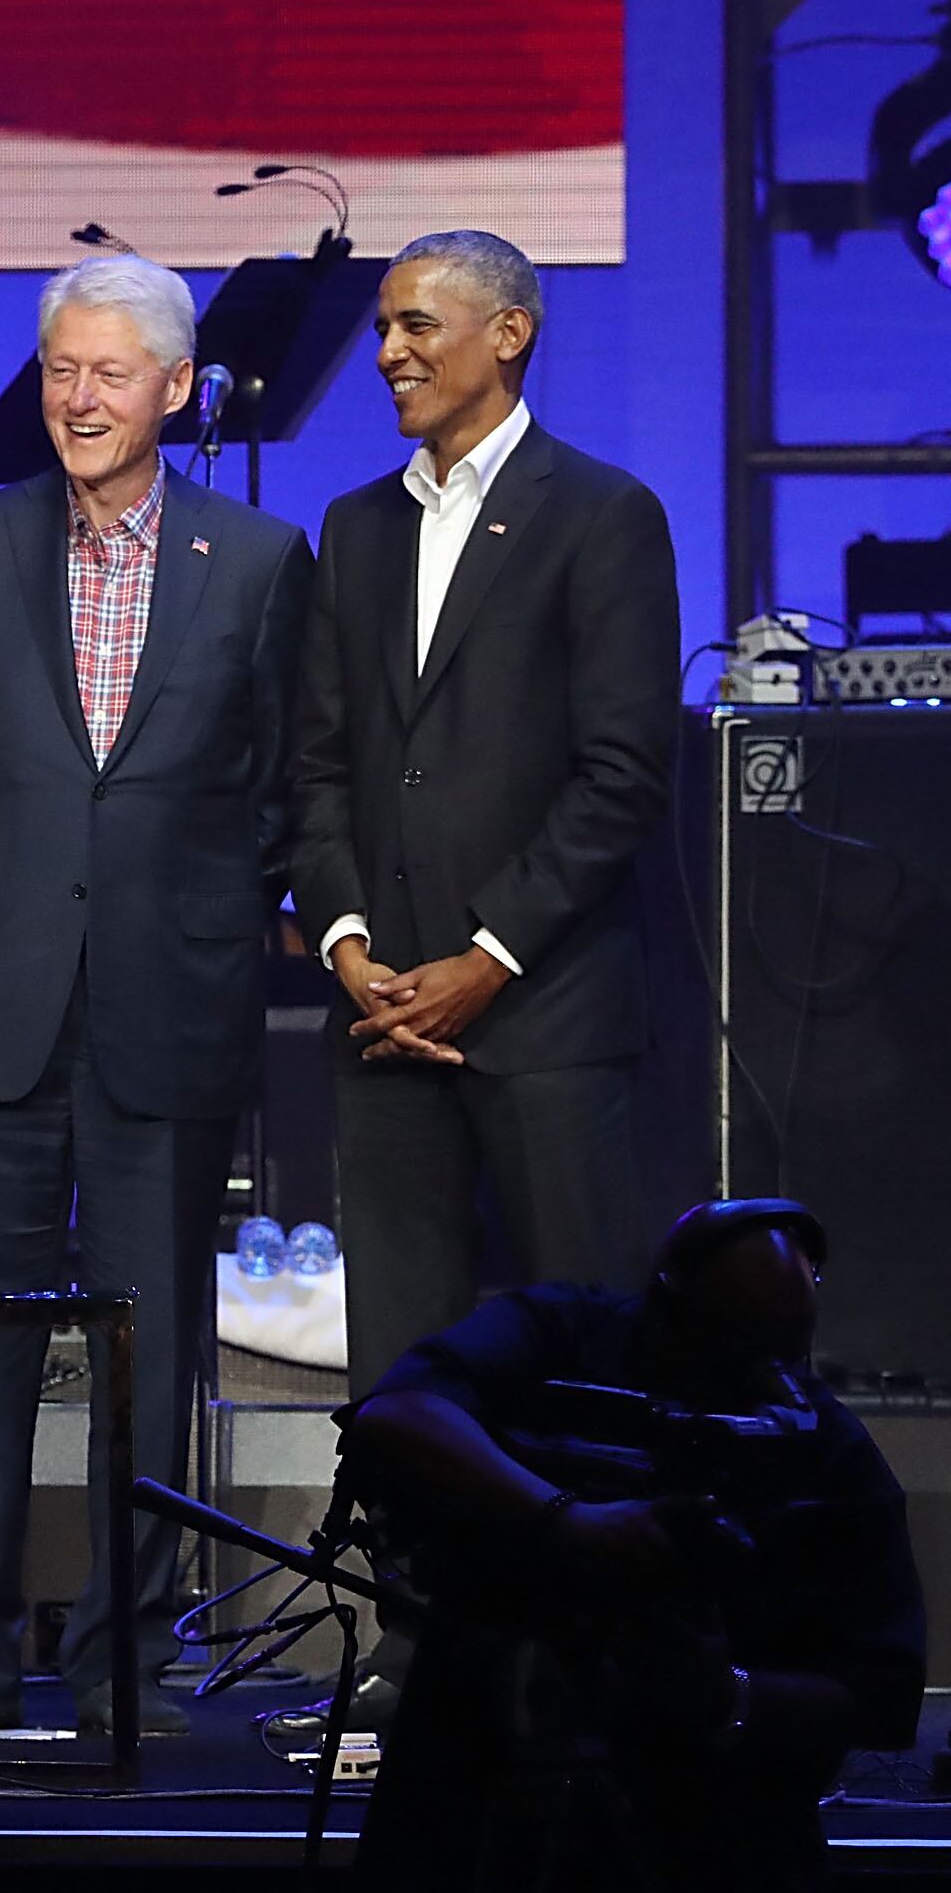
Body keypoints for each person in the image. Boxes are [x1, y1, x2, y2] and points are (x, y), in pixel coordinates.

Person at [0, 254, 313, 1737]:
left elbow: (279, 789)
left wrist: (193, 918)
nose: (77, 399)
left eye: (108, 374)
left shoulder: (256, 562)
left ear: (176, 391)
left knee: (155, 1342)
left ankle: (133, 1657)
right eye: (61, 370)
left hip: (169, 1003)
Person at [288, 229, 681, 1402]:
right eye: (381, 327)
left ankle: (593, 1592)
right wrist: (349, 943)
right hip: (382, 1025)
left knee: (589, 1372)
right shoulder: (356, 529)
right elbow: (316, 763)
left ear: (509, 335)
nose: (387, 352)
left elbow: (622, 774)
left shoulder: (604, 516)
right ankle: (410, 1592)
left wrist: (486, 954)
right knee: (402, 1386)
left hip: (547, 1019)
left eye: (417, 325)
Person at [338, 1199, 924, 1889]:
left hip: (708, 1823)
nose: (754, 1378)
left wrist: (724, 1694)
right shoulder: (559, 1332)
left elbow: (879, 1695)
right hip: (474, 1775)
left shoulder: (824, 1450)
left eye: (776, 1350)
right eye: (731, 1342)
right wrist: (570, 1524)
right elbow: (396, 1417)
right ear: (669, 1301)